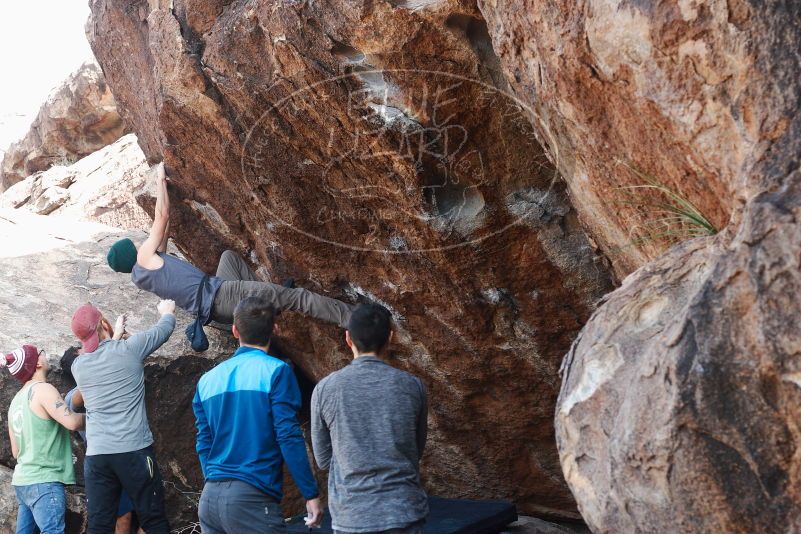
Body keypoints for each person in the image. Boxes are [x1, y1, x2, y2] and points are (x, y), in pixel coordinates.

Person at [105, 162, 353, 330]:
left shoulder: (144, 272)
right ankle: (352, 319)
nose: (141, 243)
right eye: (135, 245)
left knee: (229, 258)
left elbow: (164, 230)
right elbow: (162, 218)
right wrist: (159, 181)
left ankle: (267, 294)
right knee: (297, 298)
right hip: (222, 296)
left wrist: (166, 190)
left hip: (215, 302)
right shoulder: (144, 258)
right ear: (132, 252)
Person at [192, 296, 323, 533]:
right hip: (251, 499)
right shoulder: (277, 372)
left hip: (209, 499)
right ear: (275, 329)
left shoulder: (206, 381)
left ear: (234, 331)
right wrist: (310, 493)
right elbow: (288, 436)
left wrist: (214, 480)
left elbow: (203, 442)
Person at [311, 303, 428, 534]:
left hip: (352, 515)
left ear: (348, 338)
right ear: (391, 337)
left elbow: (323, 460)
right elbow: (416, 449)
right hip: (404, 511)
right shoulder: (413, 386)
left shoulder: (326, 389)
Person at [69, 300, 176, 534]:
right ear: (103, 323)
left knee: (99, 526)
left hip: (98, 457)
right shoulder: (130, 349)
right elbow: (164, 330)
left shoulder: (79, 366)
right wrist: (167, 311)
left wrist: (113, 335)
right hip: (133, 451)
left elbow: (102, 354)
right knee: (154, 519)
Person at [60, 347, 145, 534]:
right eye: (83, 352)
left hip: (127, 451)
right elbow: (76, 401)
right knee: (123, 517)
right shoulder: (73, 395)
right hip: (107, 458)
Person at [2, 345, 85, 534]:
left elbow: (16, 452)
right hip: (44, 480)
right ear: (38, 363)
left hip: (23, 481)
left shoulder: (15, 402)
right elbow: (71, 422)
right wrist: (99, 416)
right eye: (41, 352)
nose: (45, 355)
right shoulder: (43, 389)